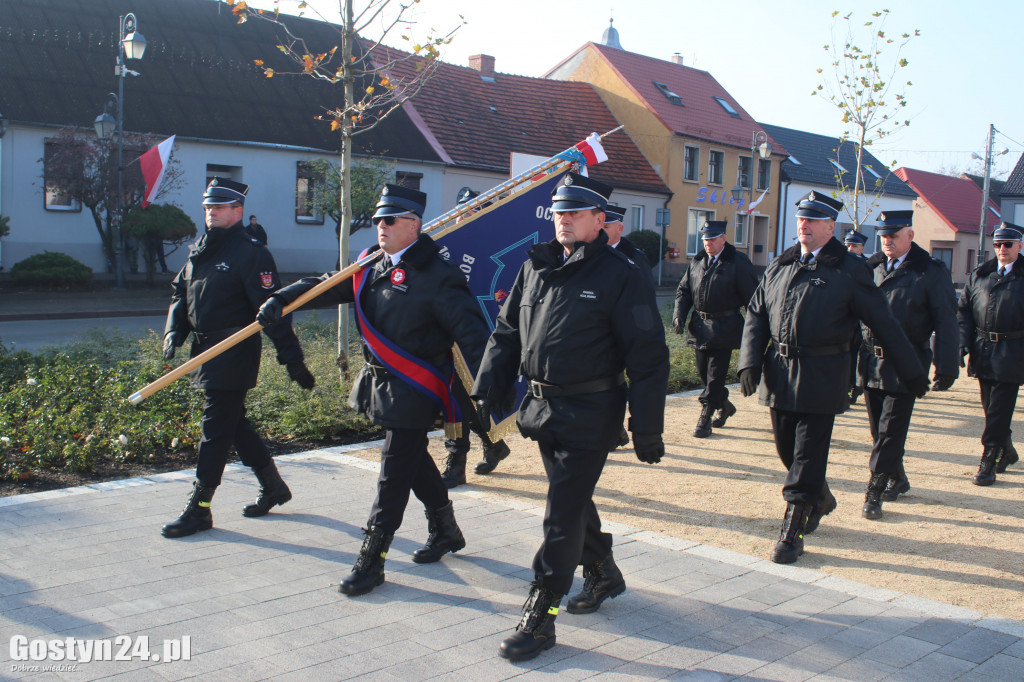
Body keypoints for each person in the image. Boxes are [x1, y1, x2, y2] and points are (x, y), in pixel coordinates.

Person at [472, 173, 669, 662]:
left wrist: (647, 426)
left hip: (591, 410)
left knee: (560, 513)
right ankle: (603, 572)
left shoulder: (621, 272)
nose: (563, 219)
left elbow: (648, 355)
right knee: (573, 503)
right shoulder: (536, 266)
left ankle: (542, 613)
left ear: (600, 220)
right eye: (559, 211)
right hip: (541, 408)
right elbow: (505, 331)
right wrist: (487, 385)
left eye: (575, 212)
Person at [258, 184, 491, 596]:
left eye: (390, 220)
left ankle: (372, 558)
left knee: (392, 472)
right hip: (381, 383)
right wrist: (284, 297)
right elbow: (328, 285)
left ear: (415, 224)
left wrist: (491, 387)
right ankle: (445, 529)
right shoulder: (371, 263)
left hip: (417, 386)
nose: (379, 227)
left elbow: (474, 337)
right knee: (412, 458)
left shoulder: (440, 275)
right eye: (377, 220)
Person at [737, 191, 927, 564]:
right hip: (780, 373)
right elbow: (757, 313)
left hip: (823, 375)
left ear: (830, 226)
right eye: (800, 220)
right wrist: (749, 363)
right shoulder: (782, 264)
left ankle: (792, 530)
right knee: (786, 450)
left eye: (812, 221)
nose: (803, 226)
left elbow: (883, 322)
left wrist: (912, 371)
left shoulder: (850, 269)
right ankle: (820, 498)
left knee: (808, 455)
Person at [161, 177, 315, 539]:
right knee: (235, 424)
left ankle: (199, 508)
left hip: (234, 350)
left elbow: (274, 310)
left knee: (215, 428)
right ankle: (274, 486)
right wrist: (174, 331)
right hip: (205, 350)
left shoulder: (251, 252)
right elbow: (179, 292)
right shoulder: (200, 248)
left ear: (238, 211)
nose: (211, 213)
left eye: (219, 207)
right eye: (208, 208)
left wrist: (291, 359)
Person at [856, 210, 958, 518]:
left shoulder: (930, 271)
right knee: (879, 431)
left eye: (893, 235)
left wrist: (947, 365)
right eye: (883, 236)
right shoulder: (870, 268)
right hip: (871, 361)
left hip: (907, 362)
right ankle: (897, 477)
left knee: (890, 430)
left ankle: (874, 490)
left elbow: (946, 321)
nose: (887, 241)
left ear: (910, 235)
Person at [439, 187, 512, 487]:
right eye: (463, 210)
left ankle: (467, 457)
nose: (466, 215)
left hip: (480, 337)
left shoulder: (491, 248)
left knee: (467, 398)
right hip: (446, 339)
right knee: (458, 400)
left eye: (474, 210)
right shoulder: (441, 248)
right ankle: (484, 449)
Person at [672, 220, 759, 438]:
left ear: (723, 239)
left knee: (714, 375)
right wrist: (678, 315)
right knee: (705, 374)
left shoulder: (738, 262)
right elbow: (684, 290)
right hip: (700, 326)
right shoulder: (698, 260)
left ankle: (705, 417)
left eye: (712, 238)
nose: (708, 243)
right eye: (705, 239)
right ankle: (725, 405)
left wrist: (757, 329)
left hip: (725, 327)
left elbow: (753, 298)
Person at [957, 221, 1024, 485]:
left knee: (999, 408)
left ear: (1020, 245)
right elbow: (963, 310)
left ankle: (989, 459)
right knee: (990, 407)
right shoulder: (980, 275)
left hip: (1014, 351)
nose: (1002, 249)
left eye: (1008, 244)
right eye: (997, 244)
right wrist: (963, 342)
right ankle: (1006, 450)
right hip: (983, 349)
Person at [603, 203, 651, 448]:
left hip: (627, 331)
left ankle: (616, 428)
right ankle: (615, 428)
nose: (601, 229)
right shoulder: (592, 253)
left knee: (618, 380)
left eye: (607, 225)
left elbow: (645, 300)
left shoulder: (635, 257)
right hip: (601, 332)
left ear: (620, 228)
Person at [844, 230, 869, 404]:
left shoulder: (868, 266)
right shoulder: (839, 263)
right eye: (847, 245)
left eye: (854, 245)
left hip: (860, 320)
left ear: (862, 248)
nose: (850, 248)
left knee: (856, 354)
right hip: (843, 318)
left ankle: (855, 385)